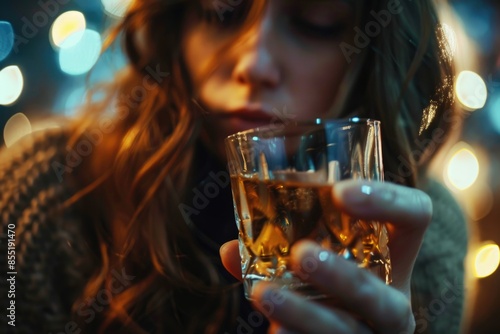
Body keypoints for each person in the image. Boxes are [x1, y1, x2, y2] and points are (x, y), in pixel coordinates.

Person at [0, 0, 468, 333]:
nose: (255, 62)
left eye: (315, 22)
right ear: (177, 23)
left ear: (371, 47)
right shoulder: (43, 193)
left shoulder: (421, 236)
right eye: (219, 12)